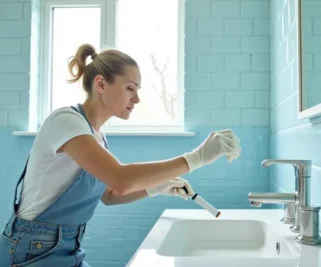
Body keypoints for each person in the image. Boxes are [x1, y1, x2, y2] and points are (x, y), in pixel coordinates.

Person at [0, 43, 241, 267]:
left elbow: (110, 194)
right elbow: (121, 179)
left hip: (63, 247)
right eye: (130, 88)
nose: (136, 98)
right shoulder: (66, 121)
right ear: (101, 84)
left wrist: (156, 188)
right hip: (31, 249)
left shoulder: (96, 136)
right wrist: (196, 157)